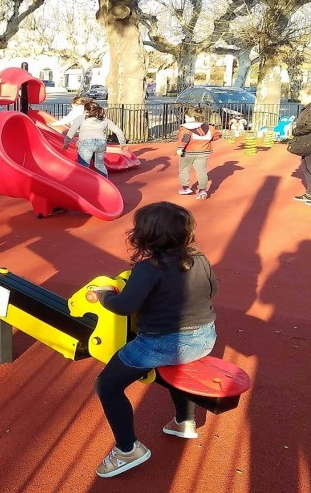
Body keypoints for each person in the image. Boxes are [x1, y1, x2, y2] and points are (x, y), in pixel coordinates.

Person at [87, 201, 219, 478]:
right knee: (177, 370)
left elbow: (125, 306)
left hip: (162, 343)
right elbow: (212, 289)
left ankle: (127, 450)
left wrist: (104, 295)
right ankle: (184, 421)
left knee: (107, 385)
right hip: (205, 337)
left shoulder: (148, 270)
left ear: (145, 236)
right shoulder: (200, 259)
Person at [62, 99, 126, 177]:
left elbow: (72, 130)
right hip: (101, 142)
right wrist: (122, 143)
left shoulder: (81, 118)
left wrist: (67, 142)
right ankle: (105, 182)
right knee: (99, 164)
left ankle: (86, 184)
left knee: (84, 166)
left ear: (87, 111)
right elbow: (118, 131)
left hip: (86, 142)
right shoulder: (104, 120)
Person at [175, 106, 221, 199]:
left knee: (184, 169)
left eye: (186, 117)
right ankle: (202, 190)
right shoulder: (209, 127)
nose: (185, 119)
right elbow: (218, 135)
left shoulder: (186, 128)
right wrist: (209, 139)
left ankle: (185, 187)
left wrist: (180, 148)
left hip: (188, 152)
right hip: (203, 152)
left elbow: (185, 139)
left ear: (192, 117)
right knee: (201, 171)